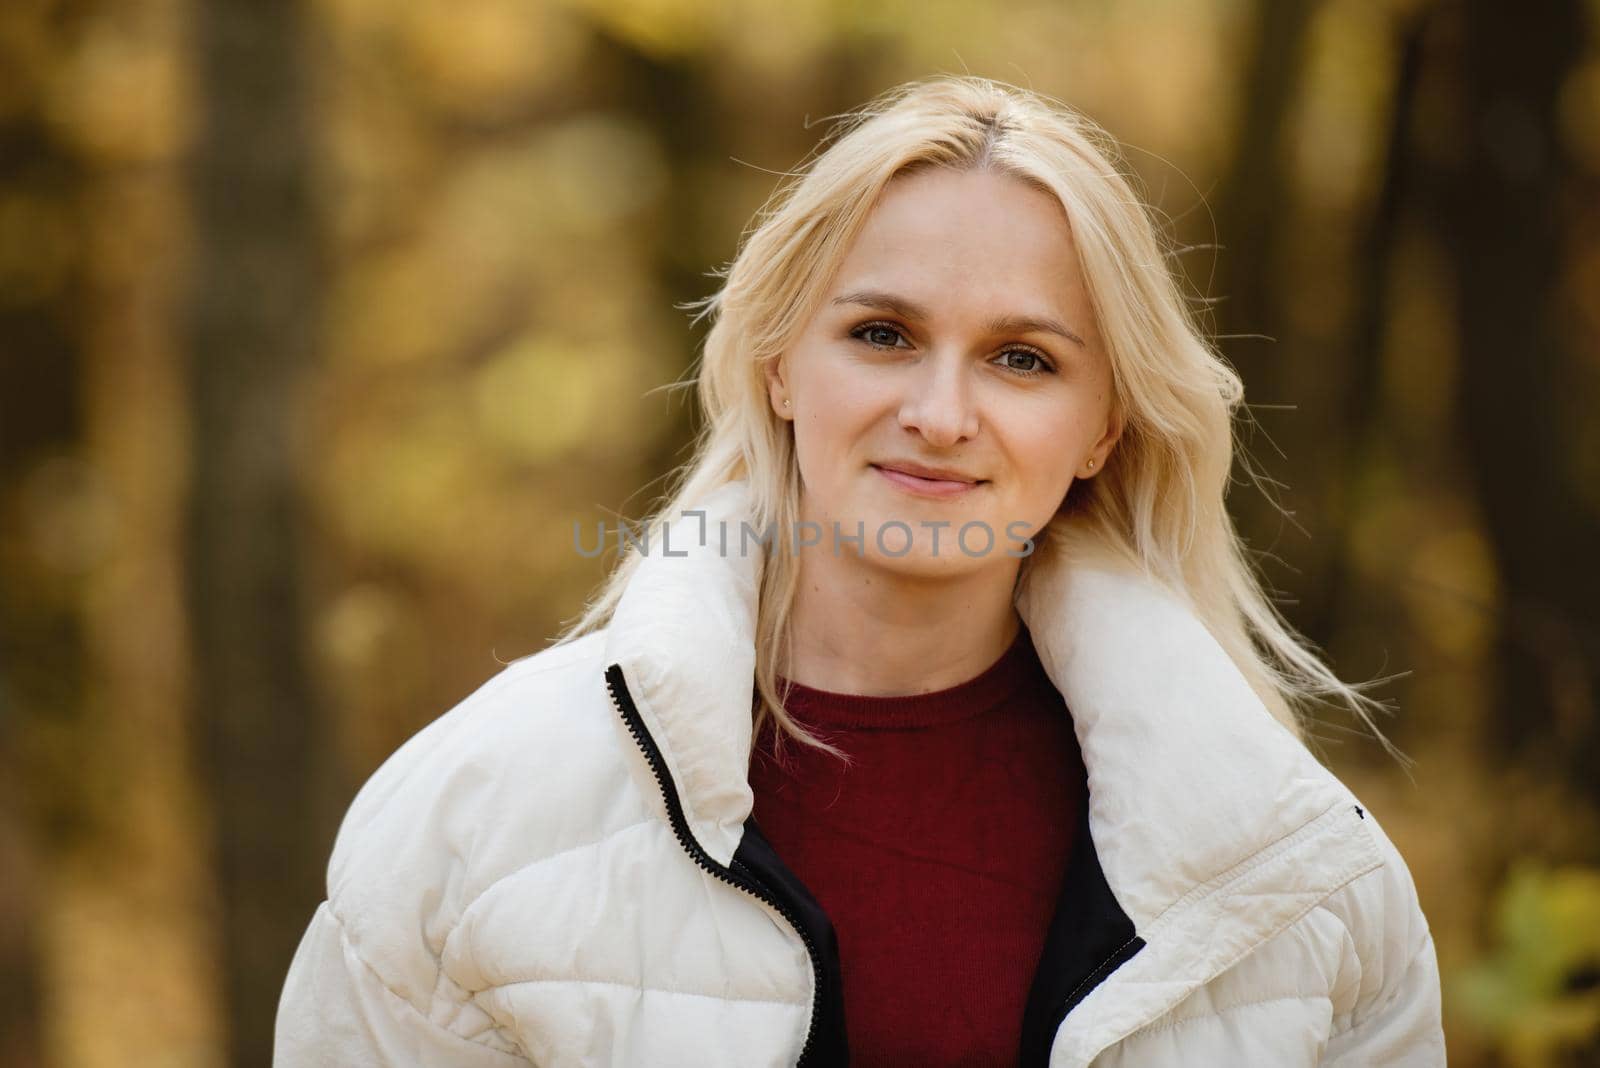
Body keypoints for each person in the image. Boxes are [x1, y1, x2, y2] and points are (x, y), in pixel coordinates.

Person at [275, 76, 1446, 1066]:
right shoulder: (469, 820)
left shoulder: (1297, 875)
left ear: (1103, 431)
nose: (939, 415)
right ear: (781, 368)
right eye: (881, 335)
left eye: (1021, 359)